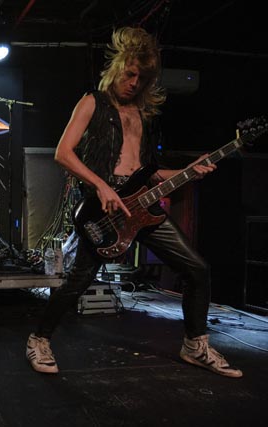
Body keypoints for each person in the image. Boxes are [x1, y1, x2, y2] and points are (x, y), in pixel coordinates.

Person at [26, 27, 243, 378]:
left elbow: (148, 174)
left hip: (141, 207)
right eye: (129, 74)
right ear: (117, 68)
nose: (134, 83)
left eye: (141, 78)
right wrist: (101, 186)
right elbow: (63, 153)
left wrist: (187, 171)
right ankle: (39, 339)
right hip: (105, 209)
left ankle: (195, 345)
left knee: (197, 269)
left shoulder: (141, 114)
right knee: (78, 281)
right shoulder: (92, 102)